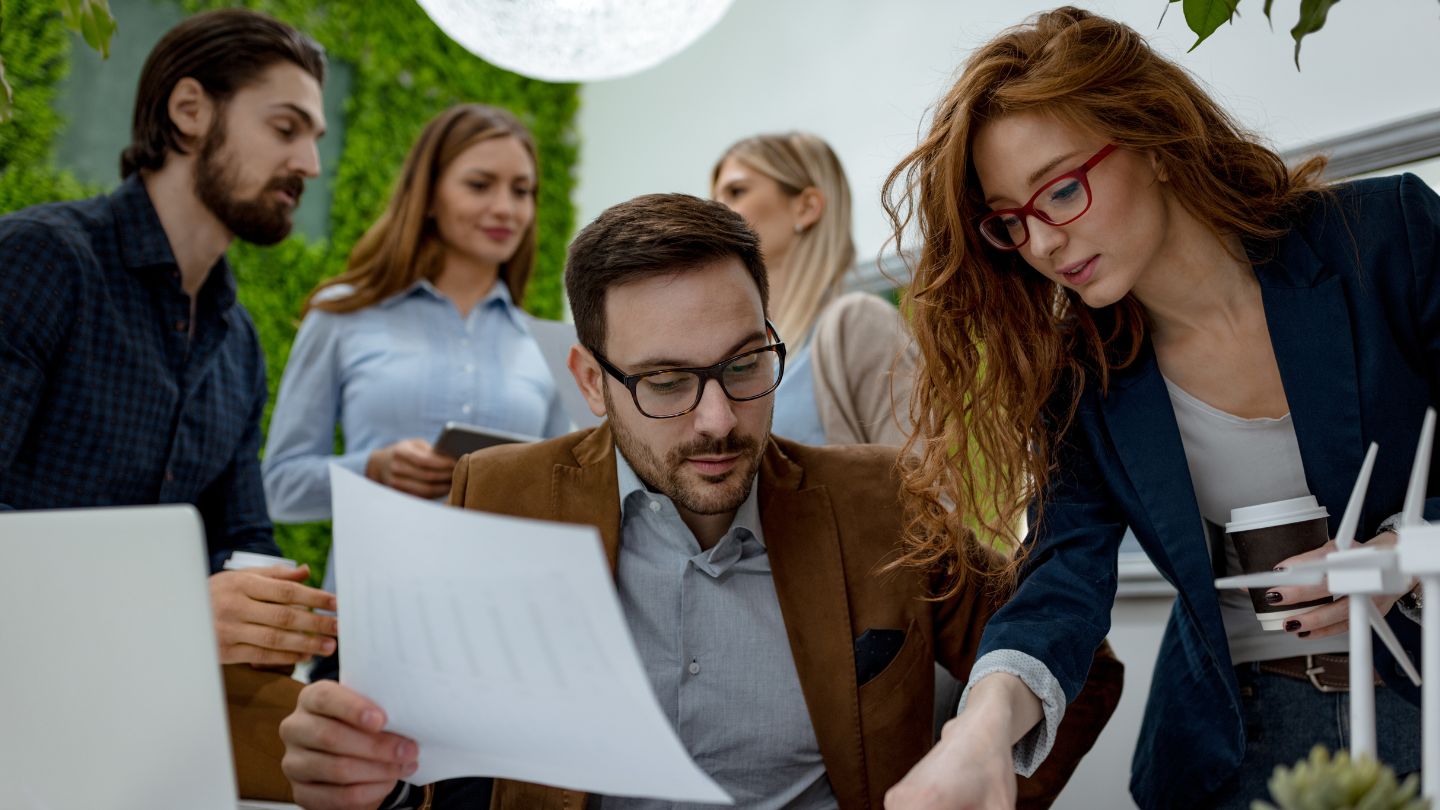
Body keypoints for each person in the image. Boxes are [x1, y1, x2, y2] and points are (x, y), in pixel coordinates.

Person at [275, 193, 1123, 810]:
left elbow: (1076, 669)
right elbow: (446, 773)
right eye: (666, 382)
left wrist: (989, 792)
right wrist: (371, 787)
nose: (718, 420)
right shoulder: (500, 495)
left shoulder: (879, 500)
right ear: (591, 382)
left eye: (745, 365)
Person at [879, 8, 1430, 810]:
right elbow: (1062, 578)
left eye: (1062, 189)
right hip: (1238, 743)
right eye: (1011, 221)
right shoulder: (1088, 373)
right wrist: (979, 731)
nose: (1041, 243)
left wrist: (1400, 557)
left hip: (1423, 695)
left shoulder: (1386, 239)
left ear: (1158, 142)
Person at [0, 8, 339, 798]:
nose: (311, 162)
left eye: (315, 136)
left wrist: (291, 613)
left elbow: (244, 540)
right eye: (287, 127)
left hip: (148, 745)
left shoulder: (240, 341)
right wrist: (174, 611)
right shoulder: (41, 263)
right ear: (190, 112)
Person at [261, 106, 568, 685]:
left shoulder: (547, 348)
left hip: (498, 637)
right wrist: (371, 469)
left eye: (522, 191)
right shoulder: (343, 315)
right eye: (480, 185)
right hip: (364, 624)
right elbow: (279, 486)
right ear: (429, 194)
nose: (506, 208)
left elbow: (564, 508)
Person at [713, 132, 915, 446]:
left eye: (736, 191)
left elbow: (926, 481)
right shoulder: (736, 355)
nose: (716, 212)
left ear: (807, 207)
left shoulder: (859, 324)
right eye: (713, 199)